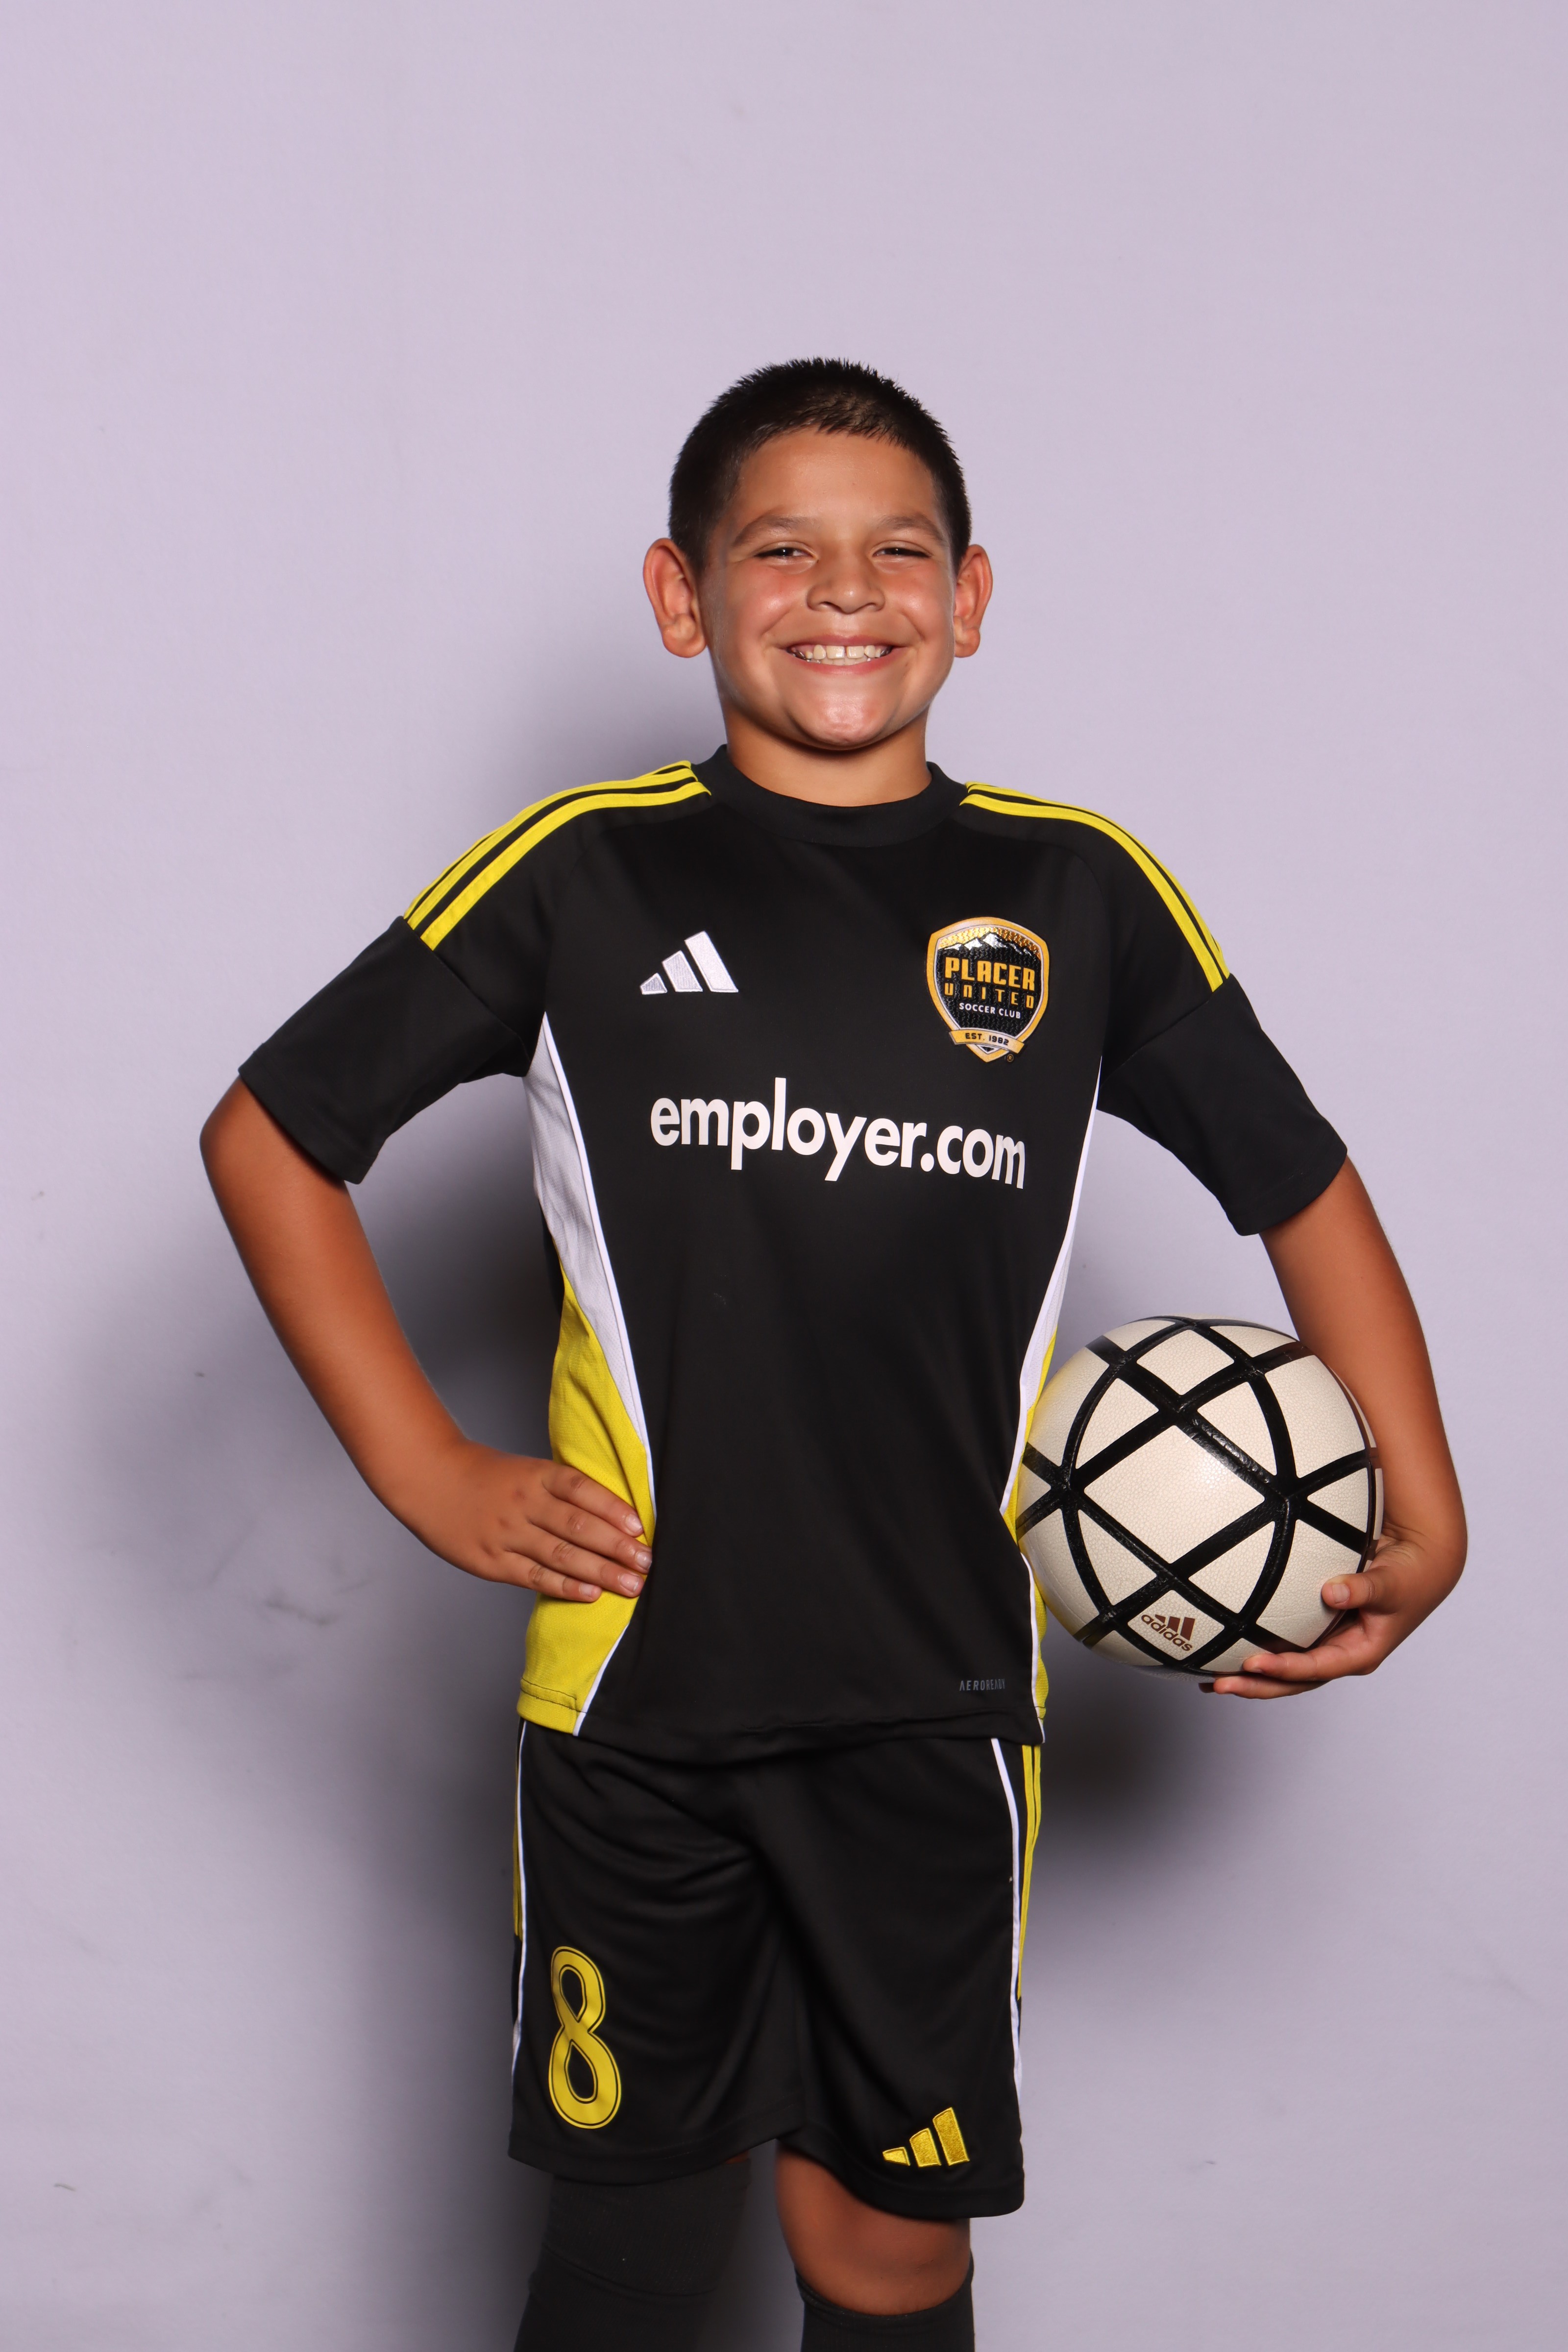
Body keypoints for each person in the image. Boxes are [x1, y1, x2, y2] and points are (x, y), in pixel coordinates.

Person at [201, 360, 1466, 2350]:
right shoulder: (584, 869)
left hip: (933, 1702)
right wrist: (424, 1465)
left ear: (971, 596)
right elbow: (272, 1136)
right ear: (679, 595)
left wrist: (1425, 1505)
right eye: (780, 549)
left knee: (886, 2248)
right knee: (634, 2252)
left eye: (898, 550)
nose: (844, 591)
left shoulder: (1076, 891)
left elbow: (1299, 1182)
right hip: (636, 1695)